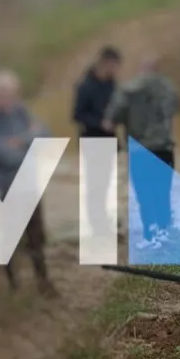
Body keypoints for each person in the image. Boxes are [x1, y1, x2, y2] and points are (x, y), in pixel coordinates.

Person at [0, 70, 58, 297]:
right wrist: (29, 139)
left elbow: (45, 136)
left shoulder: (20, 111)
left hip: (30, 185)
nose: (8, 99)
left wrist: (20, 140)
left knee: (37, 236)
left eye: (12, 94)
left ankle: (43, 281)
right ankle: (12, 284)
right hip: (8, 187)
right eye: (3, 94)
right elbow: (4, 155)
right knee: (10, 237)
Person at [103, 56, 178, 248]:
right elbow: (172, 111)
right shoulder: (169, 89)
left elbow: (111, 120)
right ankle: (164, 234)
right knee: (163, 194)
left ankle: (150, 237)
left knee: (145, 196)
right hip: (164, 149)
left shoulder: (129, 90)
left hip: (140, 150)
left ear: (141, 70)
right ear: (157, 70)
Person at [72, 46, 122, 237]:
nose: (116, 70)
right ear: (105, 63)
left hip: (109, 141)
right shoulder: (85, 86)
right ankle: (97, 226)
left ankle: (105, 221)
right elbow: (77, 115)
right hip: (91, 141)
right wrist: (100, 123)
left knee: (107, 184)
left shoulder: (112, 85)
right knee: (95, 186)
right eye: (114, 66)